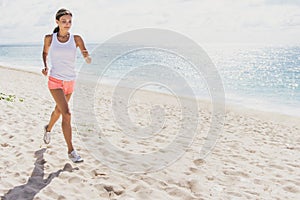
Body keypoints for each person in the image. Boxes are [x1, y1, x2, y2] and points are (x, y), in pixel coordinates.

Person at [41, 8, 91, 163]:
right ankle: (71, 151)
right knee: (67, 113)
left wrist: (87, 57)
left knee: (59, 109)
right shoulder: (50, 38)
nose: (67, 24)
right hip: (55, 80)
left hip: (70, 81)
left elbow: (84, 52)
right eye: (64, 21)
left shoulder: (76, 39)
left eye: (69, 21)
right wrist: (45, 66)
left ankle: (48, 128)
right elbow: (45, 53)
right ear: (57, 22)